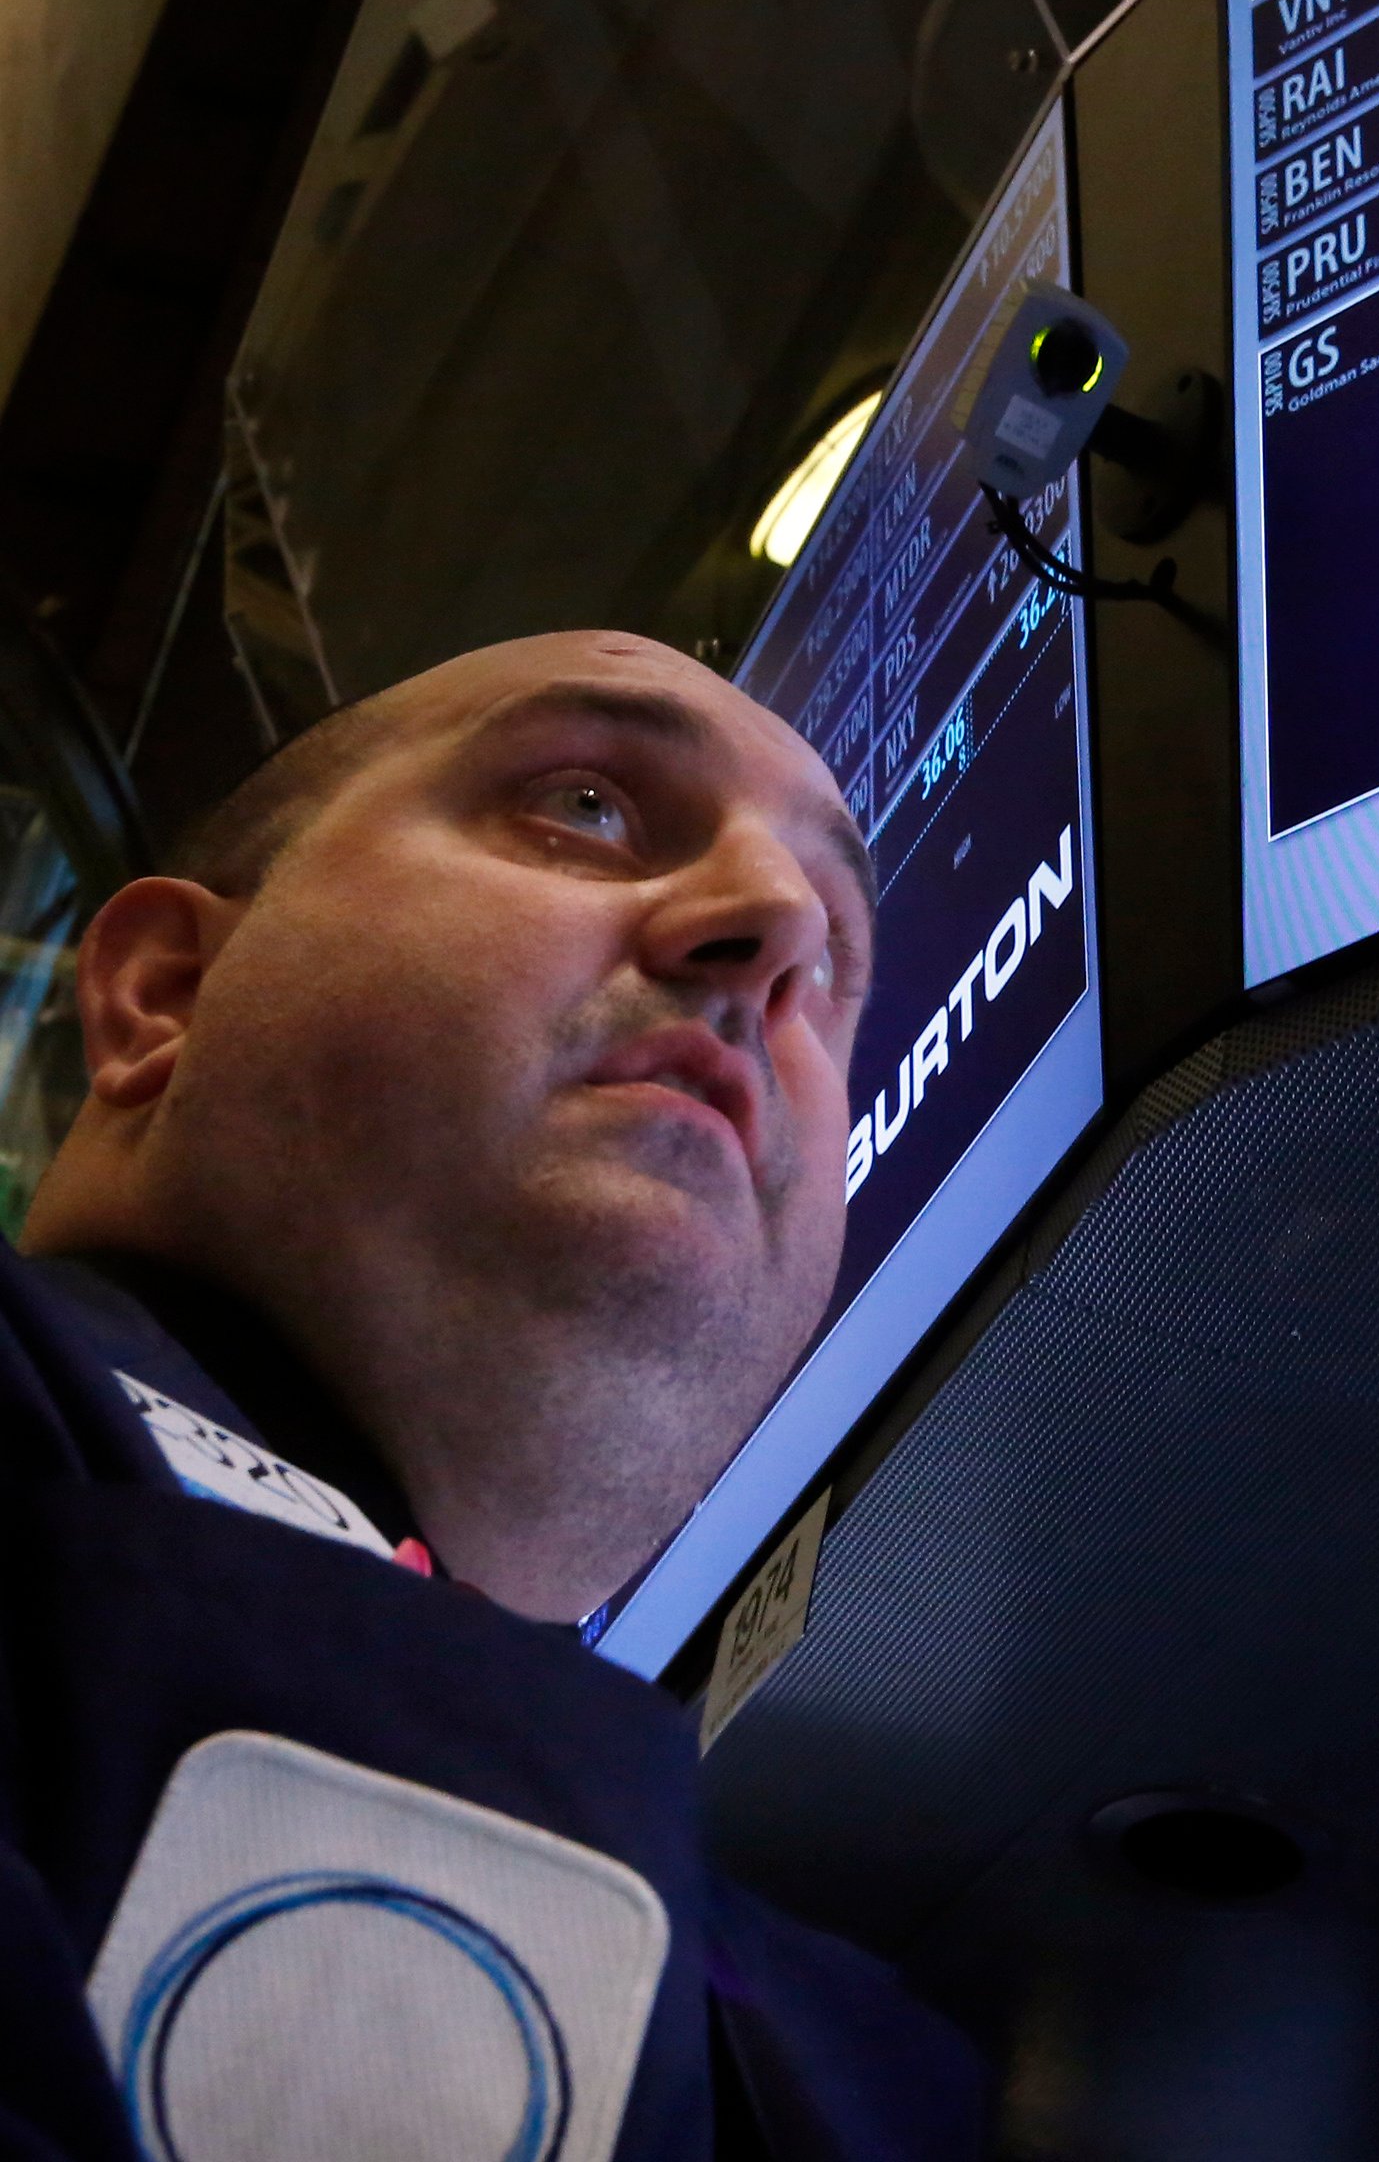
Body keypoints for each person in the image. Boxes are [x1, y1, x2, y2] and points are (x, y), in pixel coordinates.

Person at [0, 629, 983, 2161]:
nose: (778, 925)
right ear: (165, 996)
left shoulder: (857, 2060)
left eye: (843, 963)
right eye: (586, 804)